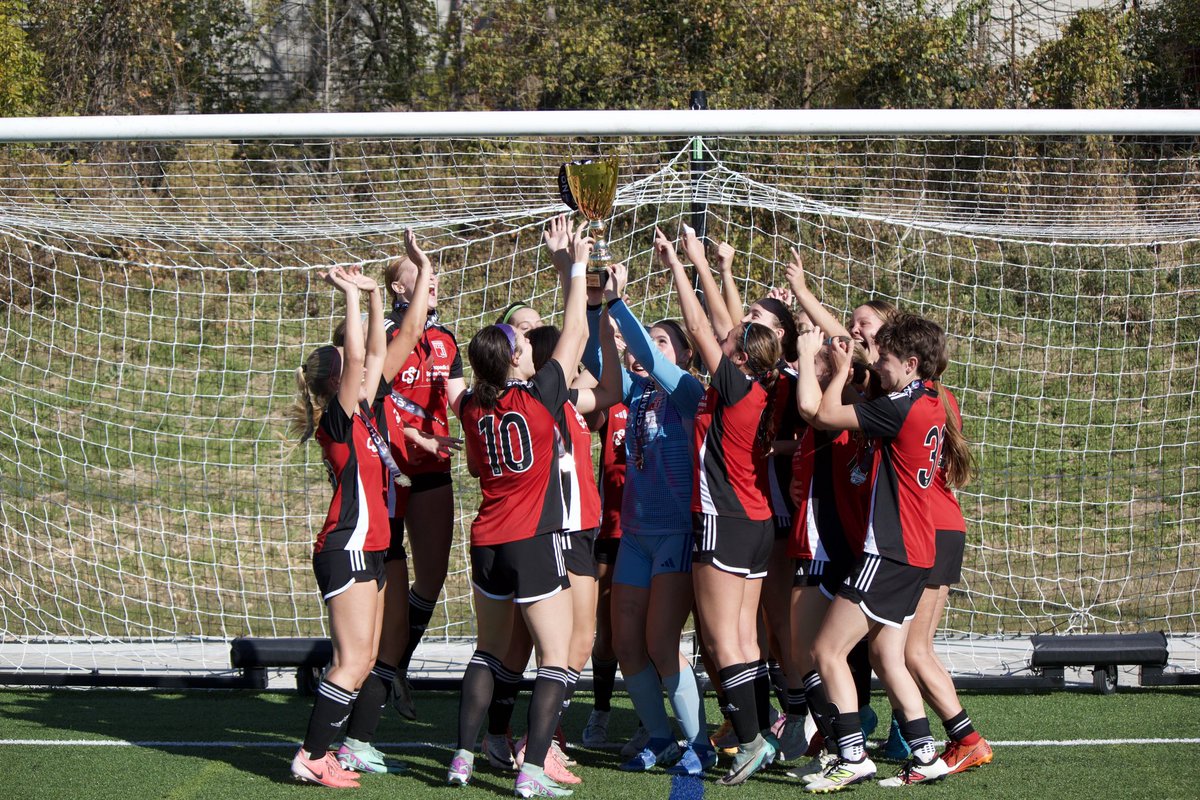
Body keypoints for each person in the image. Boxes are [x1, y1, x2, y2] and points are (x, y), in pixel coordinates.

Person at [448, 218, 591, 799]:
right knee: (554, 658)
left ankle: (462, 757)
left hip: (487, 541)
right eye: (525, 344)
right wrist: (576, 266)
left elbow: (474, 464)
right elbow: (576, 331)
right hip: (533, 539)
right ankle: (531, 769)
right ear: (511, 359)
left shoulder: (470, 407)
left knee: (488, 652)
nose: (533, 347)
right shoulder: (539, 398)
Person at [285, 244, 425, 788]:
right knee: (350, 661)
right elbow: (356, 352)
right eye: (351, 368)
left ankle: (329, 752)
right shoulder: (340, 419)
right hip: (345, 546)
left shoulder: (364, 411)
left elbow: (375, 348)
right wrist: (348, 296)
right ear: (336, 382)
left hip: (368, 547)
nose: (366, 365)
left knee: (365, 659)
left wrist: (371, 298)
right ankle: (311, 756)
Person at [798, 313, 952, 791]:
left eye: (885, 358)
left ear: (910, 364)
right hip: (915, 551)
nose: (877, 364)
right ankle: (926, 755)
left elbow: (820, 414)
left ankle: (852, 756)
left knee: (826, 650)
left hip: (888, 550)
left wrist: (830, 365)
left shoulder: (900, 407)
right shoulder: (930, 400)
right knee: (887, 653)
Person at [656, 227, 783, 786]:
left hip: (722, 520)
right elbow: (723, 327)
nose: (723, 341)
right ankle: (760, 732)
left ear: (741, 358)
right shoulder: (757, 387)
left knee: (720, 639)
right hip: (754, 522)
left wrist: (683, 265)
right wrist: (704, 266)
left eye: (732, 343)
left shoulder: (734, 386)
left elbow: (699, 327)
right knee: (746, 638)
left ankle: (750, 739)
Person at [589, 257, 714, 777]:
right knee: (624, 643)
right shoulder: (633, 391)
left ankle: (700, 741)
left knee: (662, 641)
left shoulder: (687, 391)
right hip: (636, 535)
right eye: (650, 341)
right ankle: (659, 736)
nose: (648, 350)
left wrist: (618, 302)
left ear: (684, 354)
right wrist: (594, 305)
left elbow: (642, 352)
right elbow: (599, 359)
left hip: (676, 534)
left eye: (664, 342)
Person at [374, 237, 467, 724]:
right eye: (421, 272)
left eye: (435, 274)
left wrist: (494, 410)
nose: (434, 280)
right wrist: (412, 435)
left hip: (433, 467)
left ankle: (396, 665)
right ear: (398, 287)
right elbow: (374, 396)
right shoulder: (385, 332)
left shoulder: (447, 341)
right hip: (388, 467)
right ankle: (369, 667)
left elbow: (458, 400)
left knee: (432, 576)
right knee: (386, 576)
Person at [901, 360, 993, 774]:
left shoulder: (911, 401)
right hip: (946, 525)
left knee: (912, 651)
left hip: (930, 528)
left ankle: (968, 739)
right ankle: (956, 739)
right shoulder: (941, 398)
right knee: (918, 648)